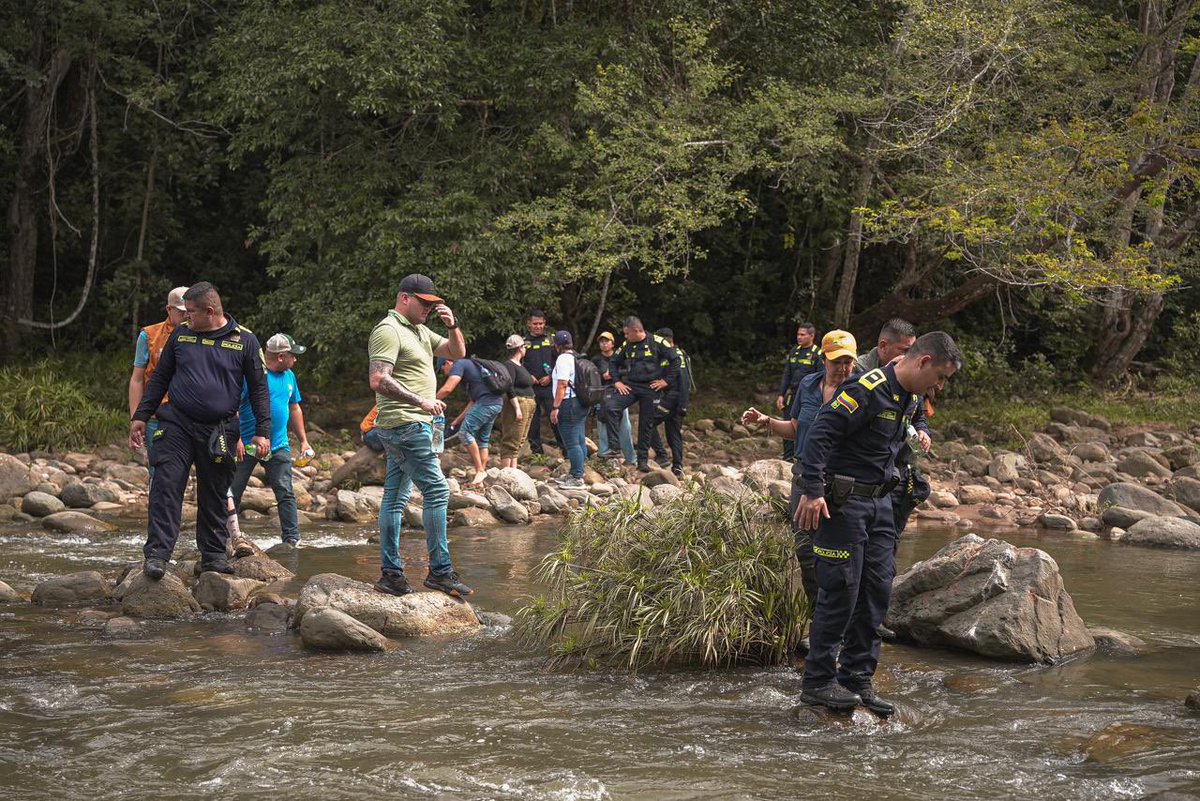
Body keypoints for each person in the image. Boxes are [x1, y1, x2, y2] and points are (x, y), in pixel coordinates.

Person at [794, 332, 961, 715]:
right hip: (843, 504)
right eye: (939, 376)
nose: (939, 386)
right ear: (922, 362)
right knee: (840, 591)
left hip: (882, 502)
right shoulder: (868, 388)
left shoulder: (911, 397)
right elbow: (820, 433)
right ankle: (818, 682)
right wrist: (813, 491)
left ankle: (857, 678)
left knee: (876, 593)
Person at [129, 282, 271, 580]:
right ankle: (157, 555)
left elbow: (259, 389)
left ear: (210, 311)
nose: (185, 318)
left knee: (215, 492)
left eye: (191, 313)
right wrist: (141, 415)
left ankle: (214, 556)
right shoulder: (181, 335)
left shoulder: (245, 340)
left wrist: (262, 431)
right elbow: (159, 379)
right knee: (166, 485)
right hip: (176, 424)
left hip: (220, 430)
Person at [367, 274, 471, 598]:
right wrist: (421, 401)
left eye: (432, 305)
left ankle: (391, 576)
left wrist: (453, 325)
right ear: (405, 298)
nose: (428, 309)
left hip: (412, 425)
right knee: (438, 491)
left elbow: (458, 353)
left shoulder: (420, 331)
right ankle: (440, 572)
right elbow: (378, 379)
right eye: (424, 303)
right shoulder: (388, 330)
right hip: (405, 424)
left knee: (395, 498)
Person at [742, 330, 859, 603]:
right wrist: (766, 421)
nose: (842, 368)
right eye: (836, 361)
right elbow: (795, 429)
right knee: (805, 548)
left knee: (839, 552)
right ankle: (816, 614)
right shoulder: (808, 384)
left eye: (847, 361)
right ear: (823, 359)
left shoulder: (860, 390)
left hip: (840, 480)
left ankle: (842, 619)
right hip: (804, 476)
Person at [229, 333, 313, 546]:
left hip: (278, 445)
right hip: (246, 445)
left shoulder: (289, 376)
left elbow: (294, 407)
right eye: (293, 355)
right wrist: (236, 438)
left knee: (285, 492)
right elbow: (233, 409)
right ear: (282, 356)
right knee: (232, 492)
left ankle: (291, 539)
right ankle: (222, 537)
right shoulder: (253, 375)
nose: (296, 359)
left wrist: (303, 441)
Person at [602, 316, 681, 472]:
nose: (625, 337)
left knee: (646, 424)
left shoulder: (658, 342)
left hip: (651, 387)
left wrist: (666, 381)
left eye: (627, 334)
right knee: (610, 405)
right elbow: (613, 362)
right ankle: (614, 447)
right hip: (632, 386)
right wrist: (617, 381)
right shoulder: (627, 344)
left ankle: (642, 461)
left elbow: (676, 360)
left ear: (637, 331)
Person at [128, 286, 189, 476]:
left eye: (190, 310)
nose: (187, 315)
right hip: (157, 414)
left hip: (189, 413)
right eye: (182, 311)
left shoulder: (201, 335)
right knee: (158, 470)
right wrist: (137, 418)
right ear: (169, 309)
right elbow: (137, 380)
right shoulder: (149, 335)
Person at [437, 354, 504, 486]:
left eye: (442, 370)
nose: (444, 374)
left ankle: (480, 470)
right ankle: (481, 479)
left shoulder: (459, 364)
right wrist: (457, 420)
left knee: (464, 433)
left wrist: (429, 401)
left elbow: (447, 389)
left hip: (486, 404)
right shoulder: (471, 371)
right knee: (482, 440)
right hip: (496, 403)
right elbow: (473, 402)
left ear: (447, 363)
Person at [649, 327, 691, 477]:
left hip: (673, 399)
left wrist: (682, 405)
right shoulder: (672, 354)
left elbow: (684, 381)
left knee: (648, 422)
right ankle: (677, 467)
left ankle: (662, 456)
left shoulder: (675, 355)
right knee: (673, 433)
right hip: (674, 398)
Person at [776, 322, 821, 461]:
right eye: (798, 334)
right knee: (788, 422)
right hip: (793, 394)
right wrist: (781, 394)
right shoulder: (794, 351)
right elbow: (787, 374)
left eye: (802, 334)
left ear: (811, 336)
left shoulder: (817, 353)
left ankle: (803, 456)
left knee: (805, 426)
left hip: (810, 396)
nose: (799, 337)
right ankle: (787, 457)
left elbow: (821, 377)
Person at [548, 330, 587, 488]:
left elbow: (562, 384)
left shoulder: (563, 359)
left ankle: (577, 478)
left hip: (568, 403)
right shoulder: (576, 357)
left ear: (557, 346)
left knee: (571, 443)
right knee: (579, 439)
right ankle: (576, 472)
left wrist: (555, 407)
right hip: (580, 402)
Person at [591, 331, 635, 465]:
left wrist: (618, 374)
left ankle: (631, 458)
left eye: (607, 341)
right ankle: (605, 455)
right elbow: (604, 375)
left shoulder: (620, 356)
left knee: (625, 427)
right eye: (601, 341)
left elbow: (629, 371)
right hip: (603, 395)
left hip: (620, 395)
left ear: (612, 343)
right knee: (602, 425)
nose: (604, 344)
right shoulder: (597, 359)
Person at [521, 310, 560, 455]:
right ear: (529, 324)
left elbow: (559, 362)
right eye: (535, 324)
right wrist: (527, 375)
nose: (538, 326)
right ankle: (536, 451)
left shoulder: (551, 340)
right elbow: (516, 363)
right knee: (533, 420)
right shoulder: (523, 342)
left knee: (555, 417)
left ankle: (564, 448)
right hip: (531, 387)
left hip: (550, 386)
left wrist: (551, 377)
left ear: (545, 324)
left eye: (541, 324)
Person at [498, 334, 537, 469]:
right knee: (511, 439)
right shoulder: (509, 365)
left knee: (519, 440)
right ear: (520, 348)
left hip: (528, 402)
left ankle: (513, 471)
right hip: (519, 403)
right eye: (524, 346)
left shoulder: (519, 365)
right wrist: (516, 408)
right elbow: (509, 387)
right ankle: (506, 472)